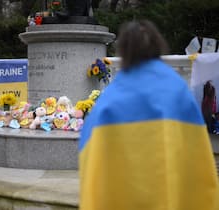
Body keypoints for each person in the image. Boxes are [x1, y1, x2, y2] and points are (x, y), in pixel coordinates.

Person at [79, 20, 219, 210]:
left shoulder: (108, 102)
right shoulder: (178, 92)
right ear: (158, 45)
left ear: (123, 50)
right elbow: (199, 160)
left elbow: (90, 160)